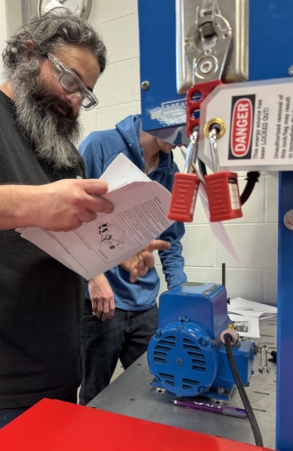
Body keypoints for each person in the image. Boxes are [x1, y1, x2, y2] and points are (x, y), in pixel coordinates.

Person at [0, 10, 169, 451]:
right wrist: (38, 204)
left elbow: (66, 246)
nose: (76, 100)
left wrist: (118, 249)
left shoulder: (63, 155)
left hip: (60, 373)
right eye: (70, 81)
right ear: (27, 54)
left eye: (87, 94)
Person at [79, 114, 187, 406]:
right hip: (101, 302)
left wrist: (180, 293)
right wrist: (94, 275)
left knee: (153, 393)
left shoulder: (171, 171)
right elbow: (72, 220)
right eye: (186, 131)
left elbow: (171, 239)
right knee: (96, 395)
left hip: (145, 306)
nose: (185, 143)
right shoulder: (99, 146)